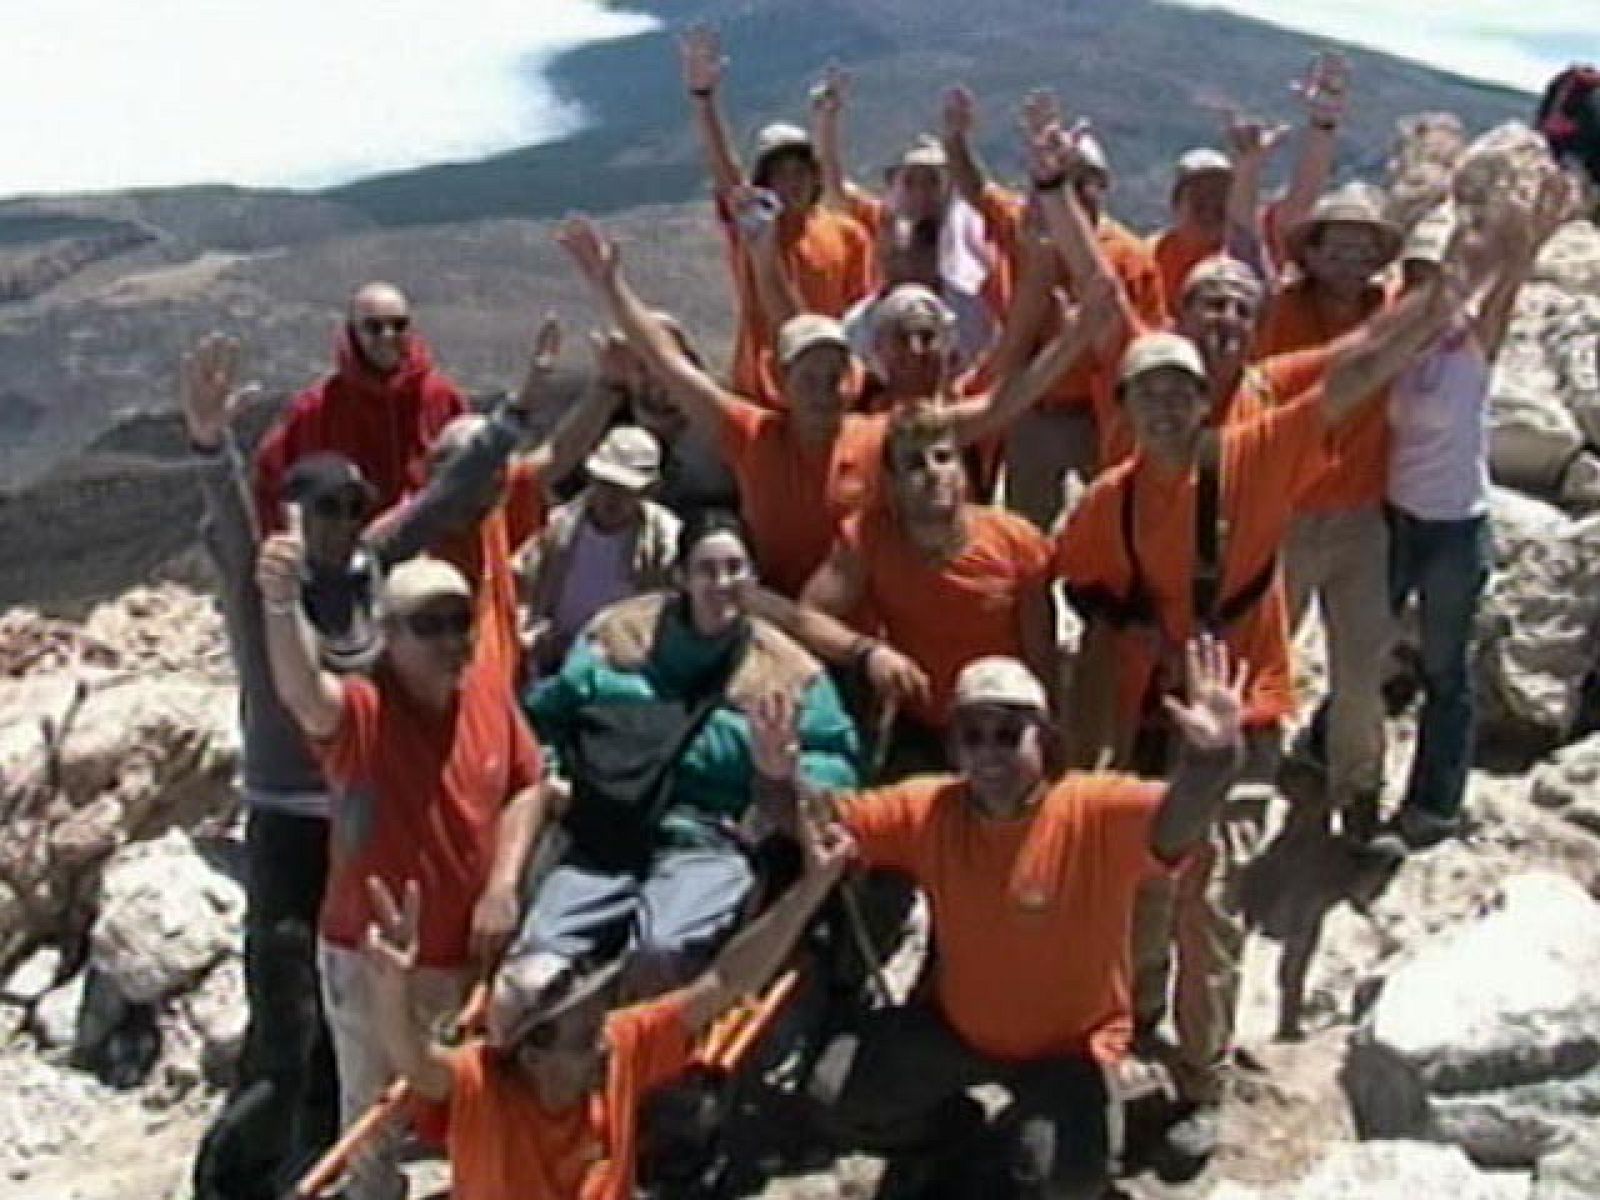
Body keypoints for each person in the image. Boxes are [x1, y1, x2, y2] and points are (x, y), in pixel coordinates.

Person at [1054, 236, 1485, 1166]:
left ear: (1205, 399)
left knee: (1210, 900)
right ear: (1124, 406)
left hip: (1243, 718)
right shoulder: (1108, 502)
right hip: (1149, 720)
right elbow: (1082, 589)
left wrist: (1453, 283)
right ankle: (1131, 1046)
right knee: (1142, 895)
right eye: (1149, 391)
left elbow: (1360, 366)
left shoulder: (1253, 455)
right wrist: (1140, 643)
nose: (1168, 404)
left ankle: (1202, 1077)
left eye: (1181, 390)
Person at [750, 641, 1247, 1199]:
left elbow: (1177, 824)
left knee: (1068, 1180)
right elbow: (816, 825)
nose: (989, 753)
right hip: (957, 1032)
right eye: (972, 734)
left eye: (1008, 735)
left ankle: (1062, 1127)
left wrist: (1211, 758)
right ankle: (951, 1135)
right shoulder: (928, 809)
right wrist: (776, 777)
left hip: (1070, 1052)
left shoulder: (1094, 808)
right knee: (834, 1095)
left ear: (1046, 740)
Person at [555, 214, 1103, 597]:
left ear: (852, 377)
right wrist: (611, 287)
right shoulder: (751, 433)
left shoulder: (886, 434)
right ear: (782, 381)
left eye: (833, 372)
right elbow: (672, 366)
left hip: (863, 620)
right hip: (772, 613)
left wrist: (1076, 341)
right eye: (808, 374)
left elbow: (999, 405)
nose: (822, 385)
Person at [357, 810, 853, 1200]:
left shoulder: (618, 1043)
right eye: (580, 1038)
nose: (601, 1046)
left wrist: (809, 891)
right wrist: (392, 986)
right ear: (532, 1054)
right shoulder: (481, 1085)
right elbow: (414, 1061)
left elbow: (725, 981)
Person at [257, 544, 548, 1200]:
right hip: (373, 956)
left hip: (467, 953)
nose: (451, 638)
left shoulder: (488, 693)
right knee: (374, 1115)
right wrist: (280, 603)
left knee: (468, 1096)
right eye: (428, 624)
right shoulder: (363, 713)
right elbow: (303, 689)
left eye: (459, 620)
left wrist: (504, 883)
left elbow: (528, 785)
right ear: (387, 636)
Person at [508, 510, 859, 1011]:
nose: (723, 584)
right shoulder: (617, 639)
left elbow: (840, 767)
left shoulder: (789, 674)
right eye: (708, 570)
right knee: (535, 963)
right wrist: (553, 775)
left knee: (659, 952)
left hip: (708, 836)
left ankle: (642, 1061)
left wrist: (787, 770)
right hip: (607, 829)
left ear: (753, 578)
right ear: (681, 576)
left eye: (735, 569)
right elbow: (544, 718)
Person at [1383, 174, 1576, 850]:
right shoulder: (1386, 350)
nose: (1425, 290)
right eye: (1416, 278)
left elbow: (1509, 281)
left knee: (1444, 668)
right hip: (1392, 518)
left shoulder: (1469, 342)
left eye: (1433, 278)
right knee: (1365, 648)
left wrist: (1524, 233)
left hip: (1454, 527)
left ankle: (1433, 802)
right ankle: (1331, 754)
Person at [940, 85, 1167, 524]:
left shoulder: (1131, 256)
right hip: (1032, 409)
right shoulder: (1026, 225)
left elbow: (1144, 343)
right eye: (1067, 175)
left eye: (1086, 179)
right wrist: (955, 139)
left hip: (1099, 414)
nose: (1077, 189)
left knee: (1116, 517)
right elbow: (975, 188)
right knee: (1028, 521)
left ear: (1104, 186)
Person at [799, 406, 1057, 774]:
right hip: (922, 725)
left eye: (943, 458)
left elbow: (1042, 661)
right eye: (915, 464)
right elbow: (807, 617)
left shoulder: (1017, 541)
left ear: (962, 471)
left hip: (1003, 727)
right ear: (892, 482)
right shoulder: (868, 537)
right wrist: (867, 653)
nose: (934, 473)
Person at [679, 25, 874, 401]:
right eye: (779, 174)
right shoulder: (754, 230)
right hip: (764, 393)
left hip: (829, 393)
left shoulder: (848, 235)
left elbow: (858, 317)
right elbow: (726, 173)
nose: (791, 182)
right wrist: (703, 98)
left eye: (799, 171)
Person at [252, 282, 468, 529]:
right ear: (353, 334)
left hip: (431, 552)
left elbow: (475, 474)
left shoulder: (441, 397)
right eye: (374, 327)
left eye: (399, 325)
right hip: (346, 553)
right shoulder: (315, 409)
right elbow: (271, 481)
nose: (388, 335)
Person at [1147, 52, 1349, 302]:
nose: (1211, 206)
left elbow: (1303, 197)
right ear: (1176, 206)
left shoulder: (1258, 237)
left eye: (1221, 195)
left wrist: (1323, 124)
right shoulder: (1151, 254)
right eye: (1199, 197)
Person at [518, 424, 682, 675]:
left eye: (625, 489)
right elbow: (522, 588)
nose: (612, 497)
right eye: (605, 483)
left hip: (625, 669)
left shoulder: (666, 540)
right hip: (554, 663)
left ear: (650, 490)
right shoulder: (557, 528)